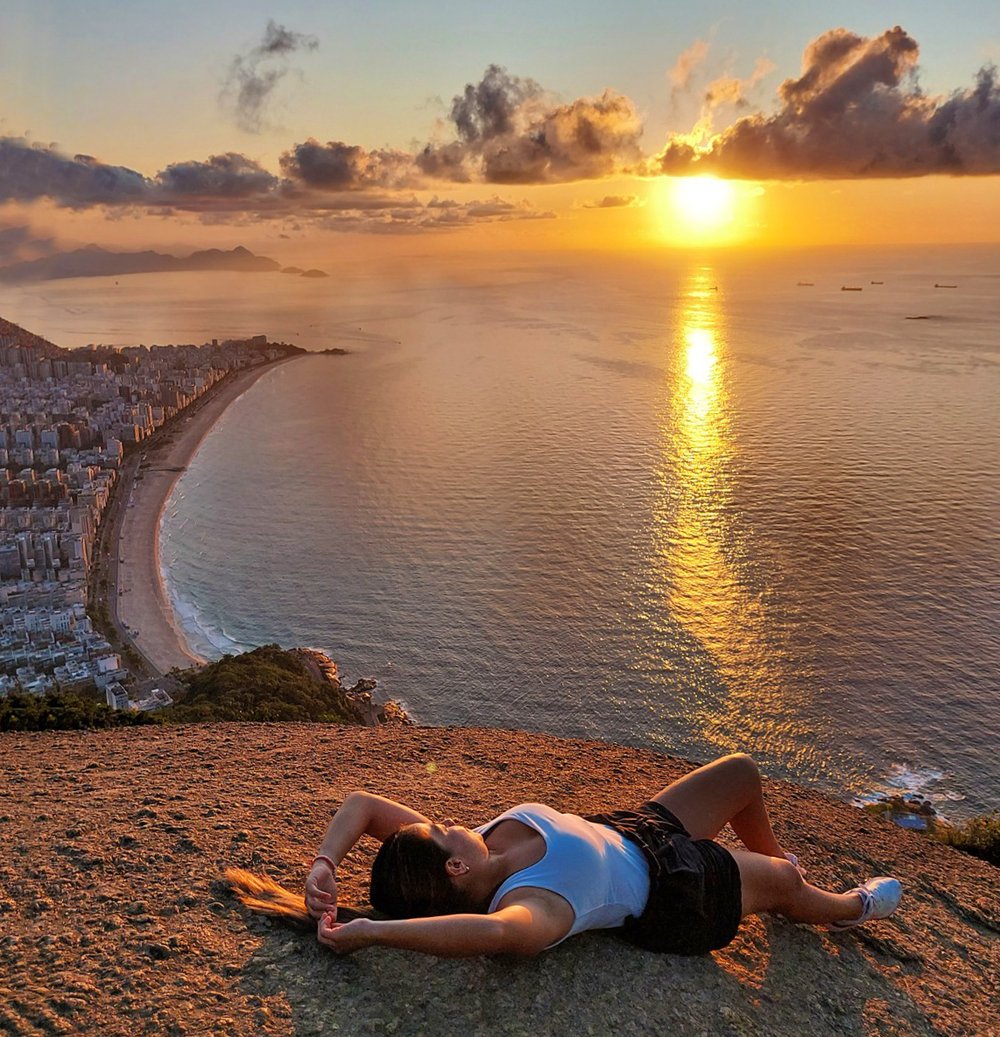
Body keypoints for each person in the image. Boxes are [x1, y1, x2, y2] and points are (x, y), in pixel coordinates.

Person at [229, 753, 902, 958]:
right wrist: (371, 931)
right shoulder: (530, 905)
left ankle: (784, 883)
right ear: (454, 869)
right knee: (781, 878)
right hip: (678, 890)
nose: (448, 819)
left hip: (637, 828)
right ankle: (844, 907)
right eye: (441, 828)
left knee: (743, 775)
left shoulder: (479, 847)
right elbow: (494, 936)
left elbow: (362, 801)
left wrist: (325, 864)